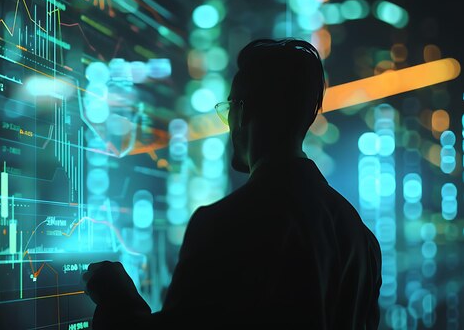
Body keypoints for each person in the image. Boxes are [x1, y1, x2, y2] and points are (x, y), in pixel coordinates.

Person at [82, 38, 382, 329]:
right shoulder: (360, 239)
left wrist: (117, 299)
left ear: (243, 111)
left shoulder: (222, 225)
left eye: (228, 109)